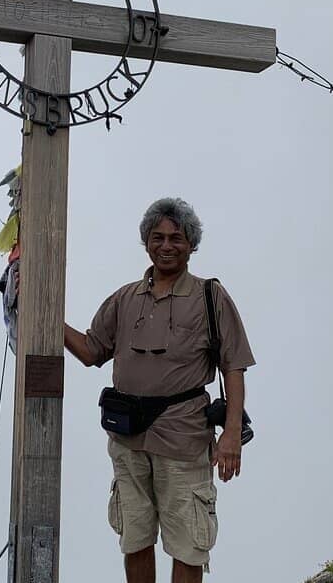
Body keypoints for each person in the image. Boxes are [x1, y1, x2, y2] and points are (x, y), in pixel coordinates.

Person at [64, 197, 255, 582]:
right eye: (157, 237)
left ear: (191, 244)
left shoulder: (210, 296)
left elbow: (233, 365)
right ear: (146, 242)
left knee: (188, 542)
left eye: (176, 238)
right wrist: (46, 316)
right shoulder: (124, 298)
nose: (166, 245)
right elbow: (90, 350)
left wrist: (231, 434)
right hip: (127, 439)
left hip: (183, 439)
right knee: (134, 537)